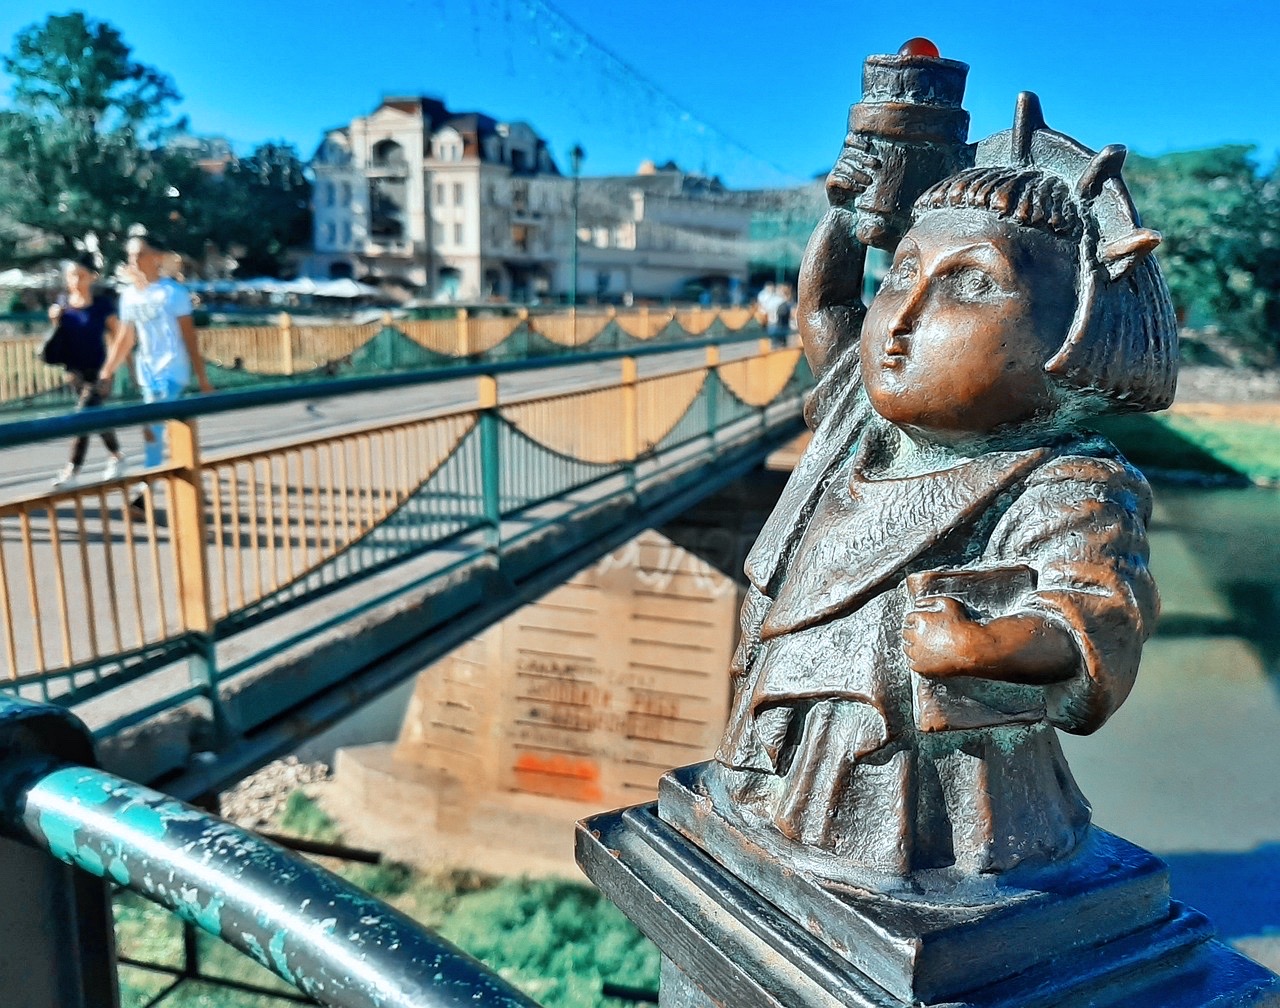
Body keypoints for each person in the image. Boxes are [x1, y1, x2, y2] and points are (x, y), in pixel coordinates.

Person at [709, 140, 1178, 886]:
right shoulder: (862, 422)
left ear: (1070, 334)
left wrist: (989, 643)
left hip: (944, 807)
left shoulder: (1065, 478)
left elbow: (1097, 616)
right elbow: (827, 308)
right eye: (902, 276)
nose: (903, 318)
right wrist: (843, 217)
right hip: (786, 756)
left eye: (970, 285)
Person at [98, 232, 212, 509]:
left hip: (172, 369)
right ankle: (191, 486)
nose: (134, 260)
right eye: (131, 255)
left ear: (156, 258)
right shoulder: (129, 297)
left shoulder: (172, 293)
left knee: (153, 429)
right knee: (163, 431)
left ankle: (143, 493)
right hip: (147, 371)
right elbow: (125, 338)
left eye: (140, 254)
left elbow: (189, 337)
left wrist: (202, 378)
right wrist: (107, 370)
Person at [47, 254, 127, 487]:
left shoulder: (102, 305)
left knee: (82, 418)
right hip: (75, 373)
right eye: (71, 275)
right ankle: (117, 456)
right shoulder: (62, 305)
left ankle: (72, 469)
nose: (75, 280)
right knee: (96, 419)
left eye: (81, 275)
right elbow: (59, 341)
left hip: (99, 373)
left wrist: (112, 371)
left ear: (92, 277)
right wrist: (54, 321)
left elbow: (118, 337)